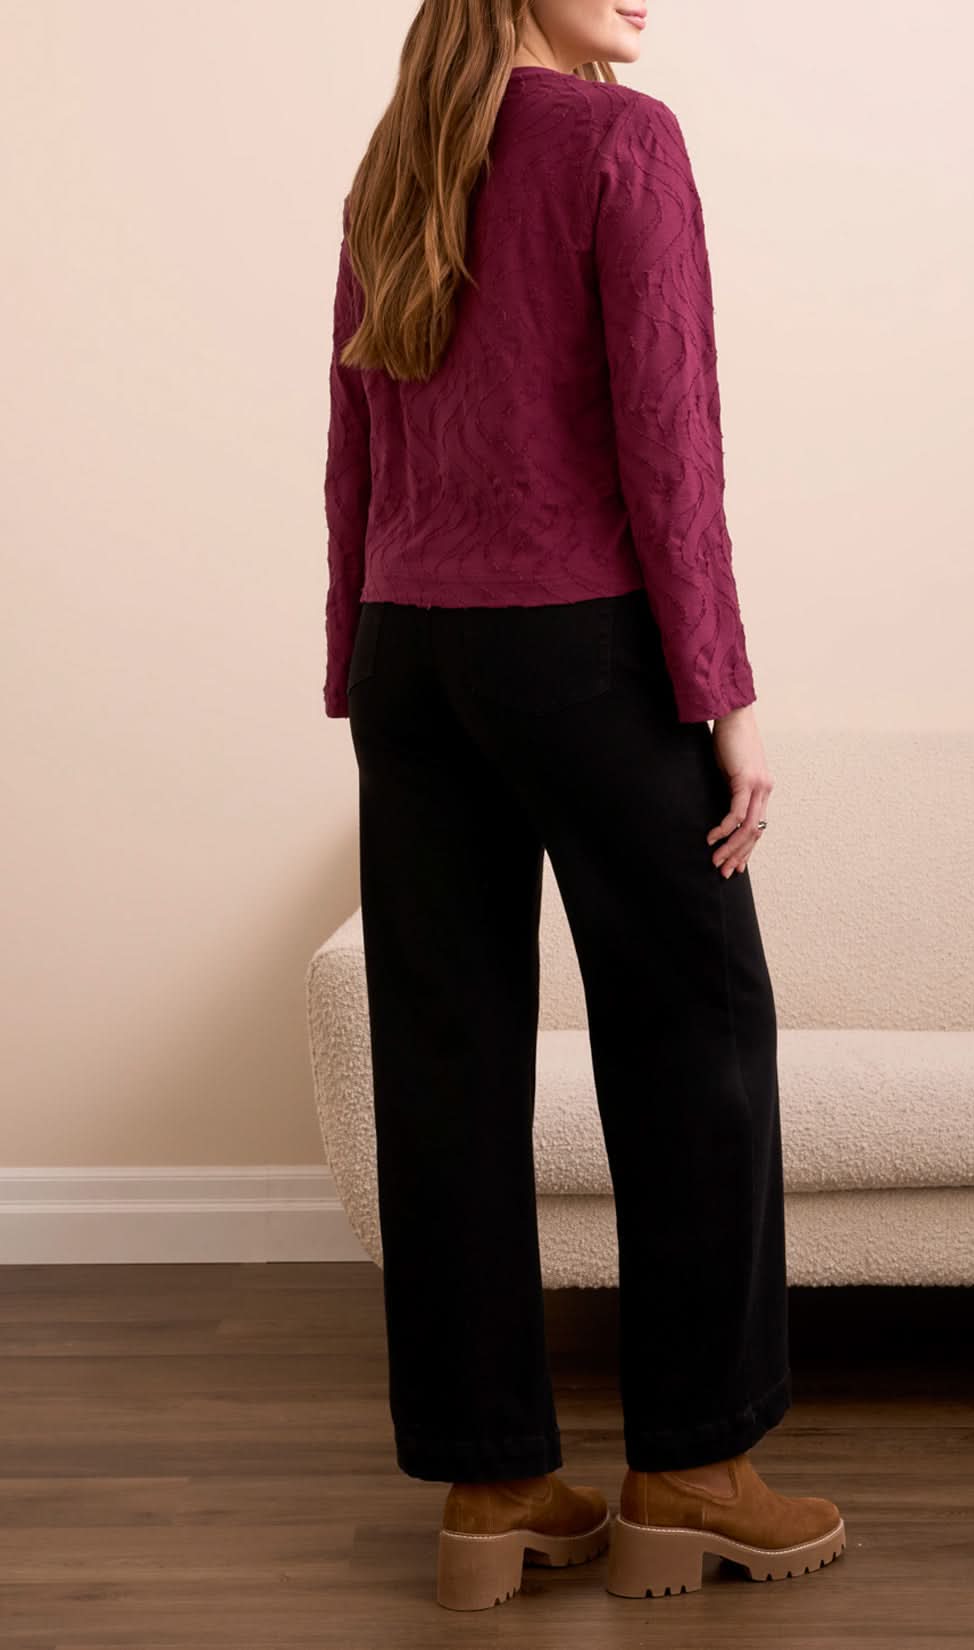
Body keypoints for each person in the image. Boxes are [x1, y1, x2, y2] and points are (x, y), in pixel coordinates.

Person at [322, 0, 845, 1613]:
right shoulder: (625, 141)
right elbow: (668, 440)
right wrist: (725, 693)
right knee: (694, 1024)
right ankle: (692, 1464)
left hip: (416, 654)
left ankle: (493, 1485)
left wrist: (359, 655)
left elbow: (352, 439)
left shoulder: (396, 161)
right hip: (581, 648)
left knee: (449, 1049)